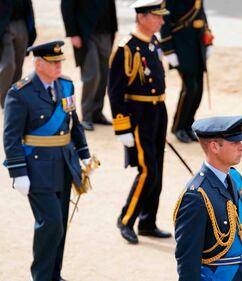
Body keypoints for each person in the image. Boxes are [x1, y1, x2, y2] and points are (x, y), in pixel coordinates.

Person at [3, 40, 91, 281]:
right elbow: (11, 137)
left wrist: (84, 153)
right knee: (51, 223)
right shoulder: (20, 93)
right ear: (38, 63)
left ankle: (54, 275)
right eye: (53, 63)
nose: (58, 66)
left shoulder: (66, 86)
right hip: (37, 168)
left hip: (64, 163)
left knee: (61, 224)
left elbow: (73, 122)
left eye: (60, 61)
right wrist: (18, 173)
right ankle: (41, 277)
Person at [108, 0, 171, 244]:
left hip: (157, 110)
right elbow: (115, 91)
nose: (162, 21)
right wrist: (122, 126)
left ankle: (148, 221)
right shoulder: (126, 48)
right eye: (157, 17)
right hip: (139, 115)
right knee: (148, 171)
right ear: (142, 17)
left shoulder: (152, 42)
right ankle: (126, 219)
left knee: (158, 168)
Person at [174, 116, 242, 281]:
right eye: (234, 143)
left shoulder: (235, 179)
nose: (241, 147)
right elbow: (188, 263)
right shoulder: (196, 196)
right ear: (214, 147)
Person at [160, 0, 214, 143]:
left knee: (199, 89)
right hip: (181, 46)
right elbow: (164, 22)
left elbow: (202, 15)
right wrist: (168, 50)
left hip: (197, 44)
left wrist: (209, 40)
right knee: (190, 88)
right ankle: (178, 127)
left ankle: (189, 124)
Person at [61, 0, 118, 131]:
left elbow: (111, 4)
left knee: (104, 75)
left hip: (106, 31)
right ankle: (86, 116)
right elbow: (67, 6)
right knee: (92, 75)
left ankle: (97, 113)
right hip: (85, 34)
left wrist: (114, 28)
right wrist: (72, 33)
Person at [0, 0, 36, 108]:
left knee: (18, 66)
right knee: (8, 65)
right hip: (3, 25)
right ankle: (4, 100)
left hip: (22, 23)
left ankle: (13, 99)